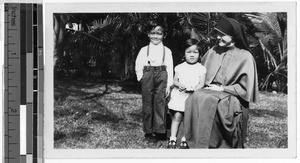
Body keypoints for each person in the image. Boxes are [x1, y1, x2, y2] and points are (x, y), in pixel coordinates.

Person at [184, 17, 259, 148]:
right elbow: (199, 71)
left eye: (222, 35)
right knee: (196, 96)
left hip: (231, 95)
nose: (218, 37)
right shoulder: (213, 50)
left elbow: (245, 87)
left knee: (209, 99)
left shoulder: (245, 56)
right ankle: (190, 138)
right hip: (209, 89)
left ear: (233, 36)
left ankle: (212, 143)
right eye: (217, 34)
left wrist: (223, 89)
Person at [135, 23, 173, 143]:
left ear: (163, 35)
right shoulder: (144, 50)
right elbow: (138, 64)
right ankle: (148, 131)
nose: (155, 36)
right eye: (153, 33)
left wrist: (168, 85)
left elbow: (170, 67)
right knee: (147, 103)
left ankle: (159, 131)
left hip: (162, 74)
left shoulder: (166, 51)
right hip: (148, 74)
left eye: (159, 33)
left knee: (160, 102)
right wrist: (140, 77)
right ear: (148, 34)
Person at [167, 39, 206, 149]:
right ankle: (172, 139)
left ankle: (185, 139)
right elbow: (174, 80)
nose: (192, 55)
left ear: (199, 54)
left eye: (195, 52)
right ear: (184, 54)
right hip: (181, 96)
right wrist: (179, 84)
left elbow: (201, 83)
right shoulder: (180, 67)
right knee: (177, 116)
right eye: (189, 52)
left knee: (188, 119)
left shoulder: (201, 68)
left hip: (192, 97)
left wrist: (194, 89)